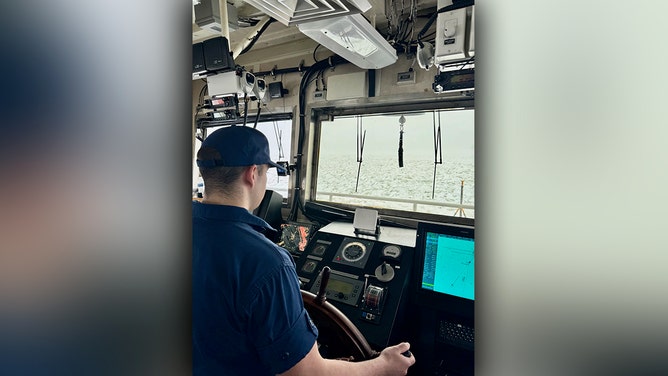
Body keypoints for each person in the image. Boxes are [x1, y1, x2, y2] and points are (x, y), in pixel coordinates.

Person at [192, 125, 416, 375]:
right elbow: (306, 373)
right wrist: (383, 366)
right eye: (266, 173)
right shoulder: (268, 263)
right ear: (252, 174)